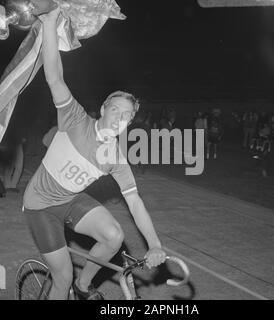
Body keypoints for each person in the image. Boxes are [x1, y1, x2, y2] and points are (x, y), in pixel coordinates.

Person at [23, 7, 166, 300]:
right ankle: (70, 284)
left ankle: (84, 287)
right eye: (115, 109)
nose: (119, 118)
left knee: (114, 236)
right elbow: (54, 77)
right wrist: (49, 23)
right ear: (103, 108)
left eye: (126, 115)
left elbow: (135, 203)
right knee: (62, 277)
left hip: (71, 200)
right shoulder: (75, 119)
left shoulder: (116, 158)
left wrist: (154, 244)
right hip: (40, 206)